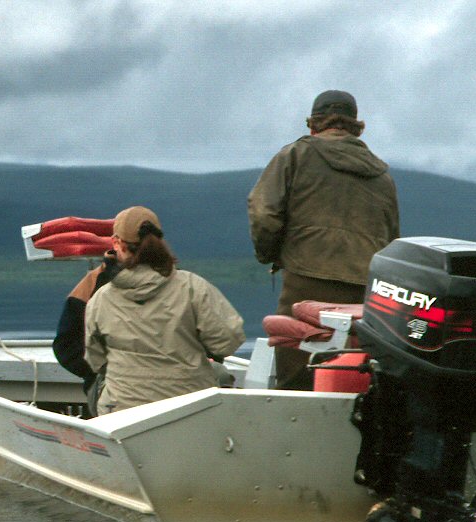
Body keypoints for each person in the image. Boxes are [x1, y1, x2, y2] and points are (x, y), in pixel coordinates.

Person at [248, 89, 400, 389]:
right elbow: (392, 238)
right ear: (356, 126)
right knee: (352, 375)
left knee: (296, 377)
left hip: (305, 281)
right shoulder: (382, 174)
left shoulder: (295, 155)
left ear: (313, 124)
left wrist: (270, 253)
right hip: (363, 290)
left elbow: (264, 212)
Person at [84, 206, 245, 415]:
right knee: (219, 374)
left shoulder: (100, 299)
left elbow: (94, 359)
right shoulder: (192, 287)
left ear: (117, 244)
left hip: (122, 410)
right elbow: (227, 341)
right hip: (191, 407)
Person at [52, 248, 119, 415]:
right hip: (181, 396)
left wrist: (95, 374)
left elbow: (66, 347)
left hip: (114, 398)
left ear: (118, 244)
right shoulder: (186, 285)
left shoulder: (96, 286)